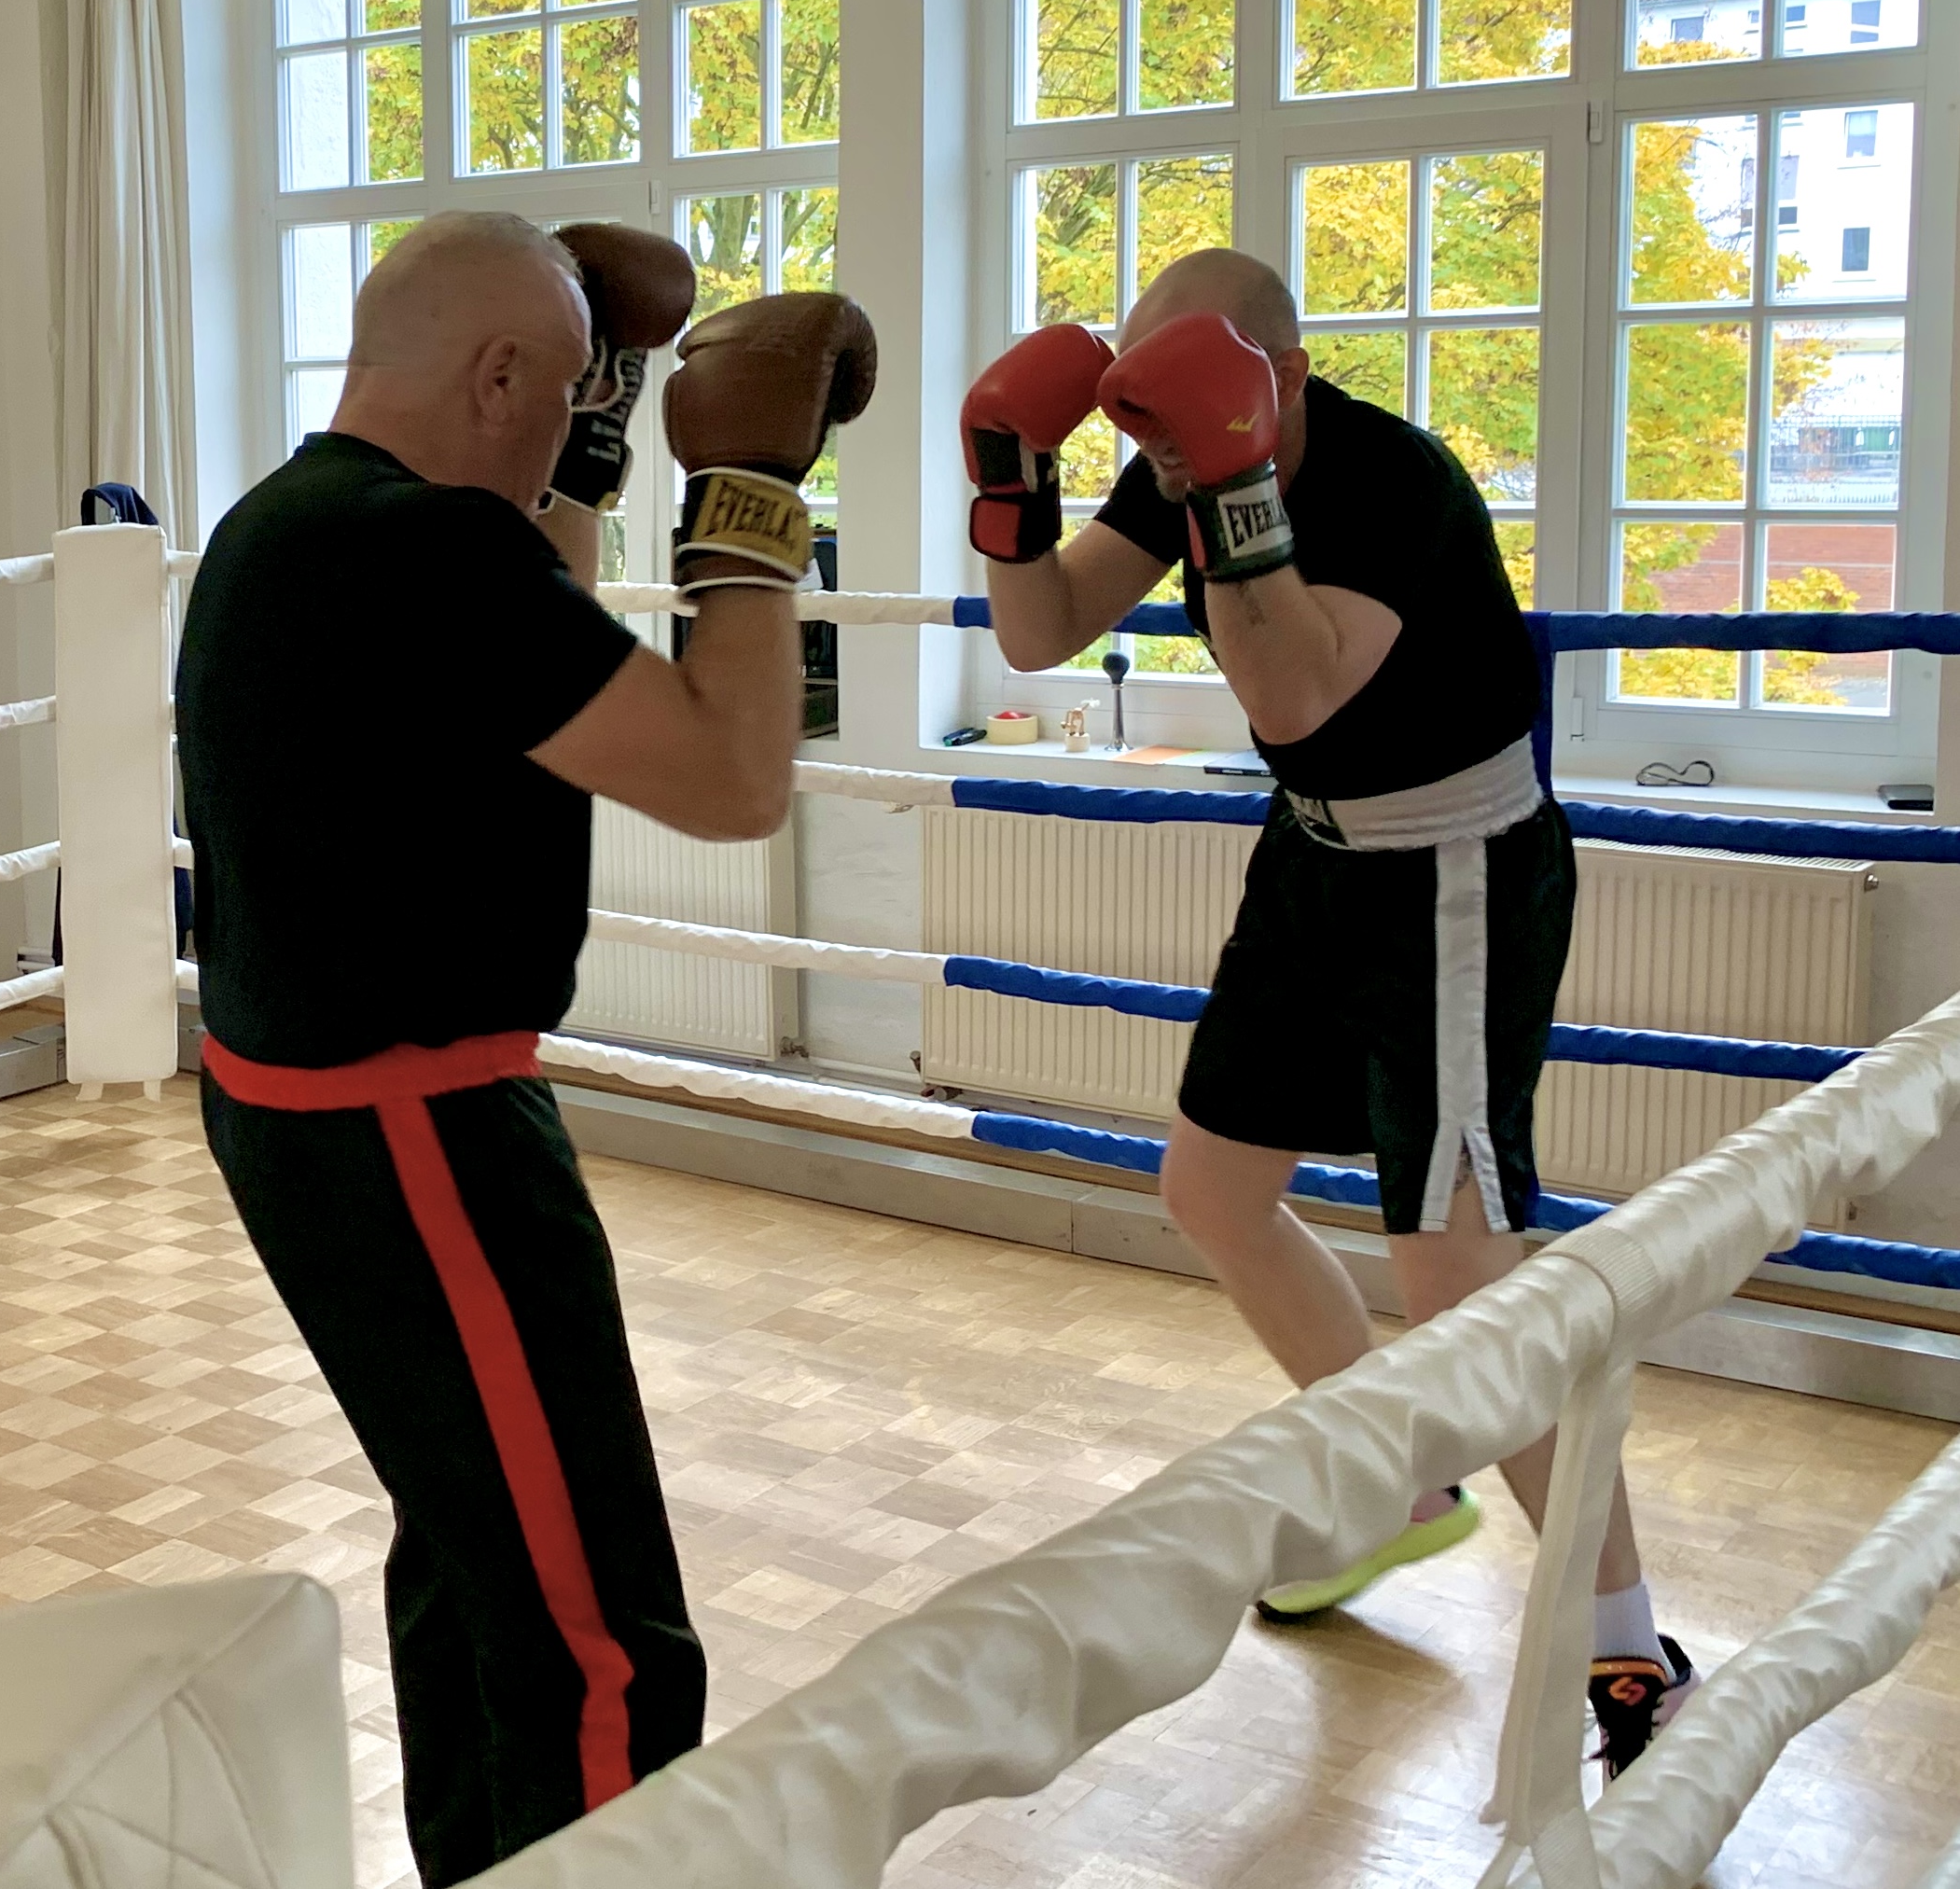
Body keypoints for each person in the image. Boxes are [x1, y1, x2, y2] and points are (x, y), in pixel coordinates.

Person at [176, 210, 874, 1882]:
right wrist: (748, 494)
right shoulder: (426, 557)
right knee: (599, 1639)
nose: (572, 428)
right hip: (419, 1138)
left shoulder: (287, 523)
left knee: (475, 1556)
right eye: (563, 394)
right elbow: (735, 781)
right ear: (498, 377)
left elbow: (536, 610)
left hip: (308, 1118)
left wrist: (601, 413)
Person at [961, 248, 1692, 1780]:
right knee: (1214, 1188)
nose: (1155, 446)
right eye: (1140, 415)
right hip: (1314, 859)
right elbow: (1038, 634)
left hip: (1455, 872)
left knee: (1465, 1281)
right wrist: (1013, 485)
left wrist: (1231, 484)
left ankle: (1628, 1643)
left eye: (1181, 415)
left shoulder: (1389, 482)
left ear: (1278, 380)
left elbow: (1292, 693)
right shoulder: (1181, 456)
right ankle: (1395, 1491)